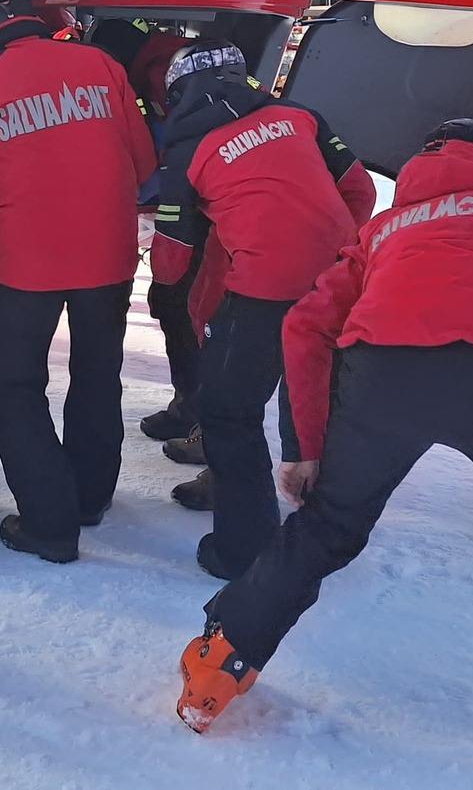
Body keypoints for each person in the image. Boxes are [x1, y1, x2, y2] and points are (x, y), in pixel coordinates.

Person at [175, 120, 473, 765]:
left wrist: (305, 447)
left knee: (328, 526)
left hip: (377, 379)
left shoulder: (386, 226)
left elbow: (306, 326)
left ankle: (216, 664)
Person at [152, 40, 376, 579]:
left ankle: (244, 547)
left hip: (265, 289)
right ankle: (325, 523)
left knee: (230, 410)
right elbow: (361, 191)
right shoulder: (298, 116)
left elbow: (170, 259)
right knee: (326, 403)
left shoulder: (186, 147)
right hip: (346, 282)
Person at [0, 0, 157, 564]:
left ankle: (49, 522)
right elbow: (142, 159)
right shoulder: (100, 65)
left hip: (29, 263)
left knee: (14, 384)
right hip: (109, 255)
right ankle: (91, 497)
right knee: (98, 372)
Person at [90, 19, 204, 444]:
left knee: (185, 308)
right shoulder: (174, 59)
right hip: (198, 204)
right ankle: (188, 409)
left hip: (196, 209)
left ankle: (202, 427)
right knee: (177, 306)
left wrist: (128, 193)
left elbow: (164, 155)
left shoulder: (159, 74)